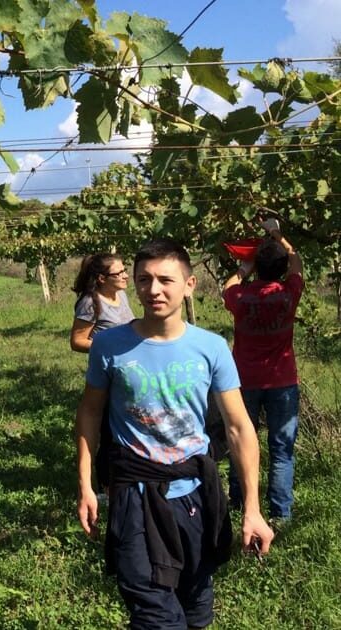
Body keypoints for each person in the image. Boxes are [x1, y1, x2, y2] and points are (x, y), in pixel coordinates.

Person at [75, 239, 275, 630]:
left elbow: (238, 427)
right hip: (135, 496)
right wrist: (85, 484)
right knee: (156, 617)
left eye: (165, 280)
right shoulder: (109, 345)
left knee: (196, 610)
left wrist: (252, 508)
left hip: (197, 497)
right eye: (143, 280)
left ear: (190, 284)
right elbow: (90, 412)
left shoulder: (212, 348)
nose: (153, 290)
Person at [222, 218, 303, 522]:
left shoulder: (241, 297)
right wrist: (278, 236)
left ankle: (238, 504)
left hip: (243, 381)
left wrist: (245, 267)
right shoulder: (289, 292)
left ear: (258, 268)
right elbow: (296, 261)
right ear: (281, 270)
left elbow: (228, 286)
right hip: (282, 380)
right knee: (282, 449)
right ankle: (280, 514)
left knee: (241, 442)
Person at [69, 253, 135, 490]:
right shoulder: (90, 302)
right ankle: (106, 485)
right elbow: (77, 341)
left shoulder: (121, 296)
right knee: (108, 430)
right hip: (107, 376)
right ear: (101, 278)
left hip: (126, 375)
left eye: (124, 270)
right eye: (119, 273)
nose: (126, 275)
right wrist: (110, 348)